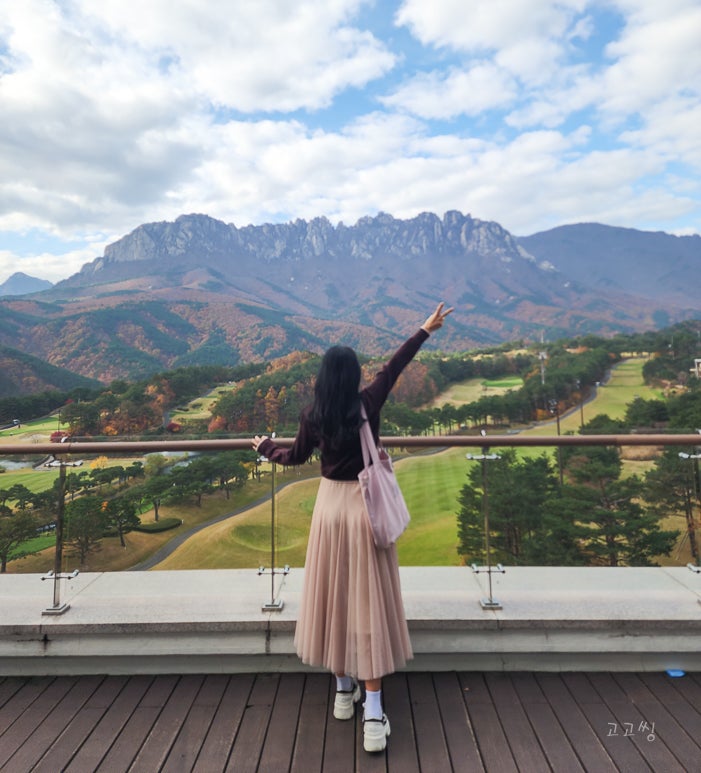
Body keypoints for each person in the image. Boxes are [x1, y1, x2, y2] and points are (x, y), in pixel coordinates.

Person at [252, 302, 453, 753]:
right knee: (367, 605)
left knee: (334, 599)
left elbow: (294, 457)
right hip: (365, 509)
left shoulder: (312, 414)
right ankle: (374, 716)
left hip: (329, 510)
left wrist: (265, 447)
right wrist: (424, 329)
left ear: (323, 378)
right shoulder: (367, 403)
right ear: (354, 376)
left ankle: (344, 693)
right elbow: (395, 366)